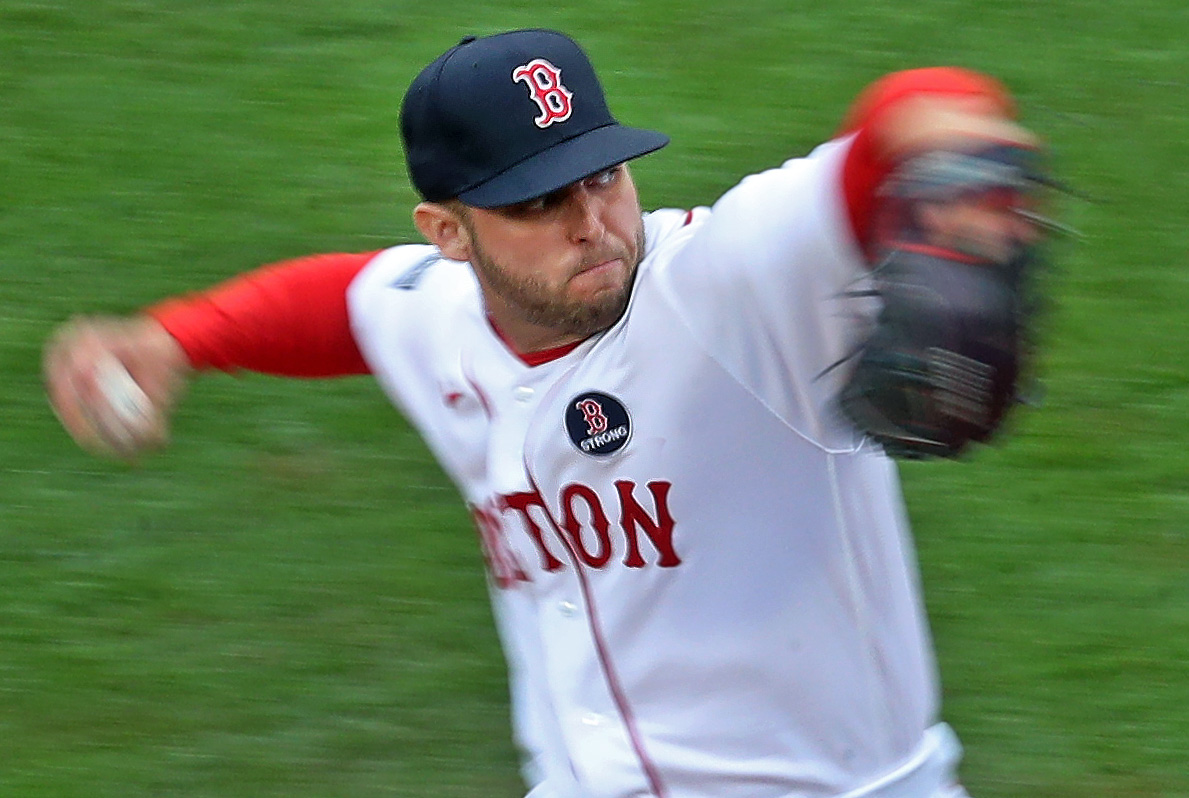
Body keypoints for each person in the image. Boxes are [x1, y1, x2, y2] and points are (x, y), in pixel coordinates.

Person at [44, 28, 1047, 798]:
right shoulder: (440, 318)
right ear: (447, 232)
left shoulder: (735, 286)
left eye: (600, 175)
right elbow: (344, 303)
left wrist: (962, 169)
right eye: (533, 204)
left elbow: (914, 112)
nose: (590, 223)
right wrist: (171, 339)